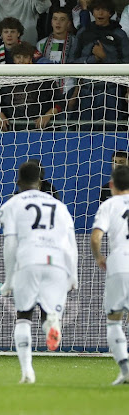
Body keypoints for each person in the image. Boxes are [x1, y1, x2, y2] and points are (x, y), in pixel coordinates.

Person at [0, 160, 78, 383]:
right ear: (41, 182)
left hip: (29, 259)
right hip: (57, 262)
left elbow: (11, 245)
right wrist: (73, 275)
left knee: (23, 317)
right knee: (48, 312)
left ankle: (27, 372)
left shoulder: (12, 205)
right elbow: (70, 244)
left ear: (18, 180)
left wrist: (8, 279)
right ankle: (52, 322)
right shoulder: (59, 207)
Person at [91, 165, 129, 385]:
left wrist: (99, 257)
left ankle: (125, 370)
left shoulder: (109, 205)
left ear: (112, 185)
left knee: (114, 321)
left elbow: (96, 238)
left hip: (119, 264)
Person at [0, 42, 66, 130]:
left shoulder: (44, 79)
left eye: (25, 57)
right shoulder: (6, 80)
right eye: (18, 57)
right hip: (12, 129)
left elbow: (60, 102)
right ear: (14, 60)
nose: (21, 61)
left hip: (42, 129)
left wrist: (48, 115)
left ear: (31, 59)